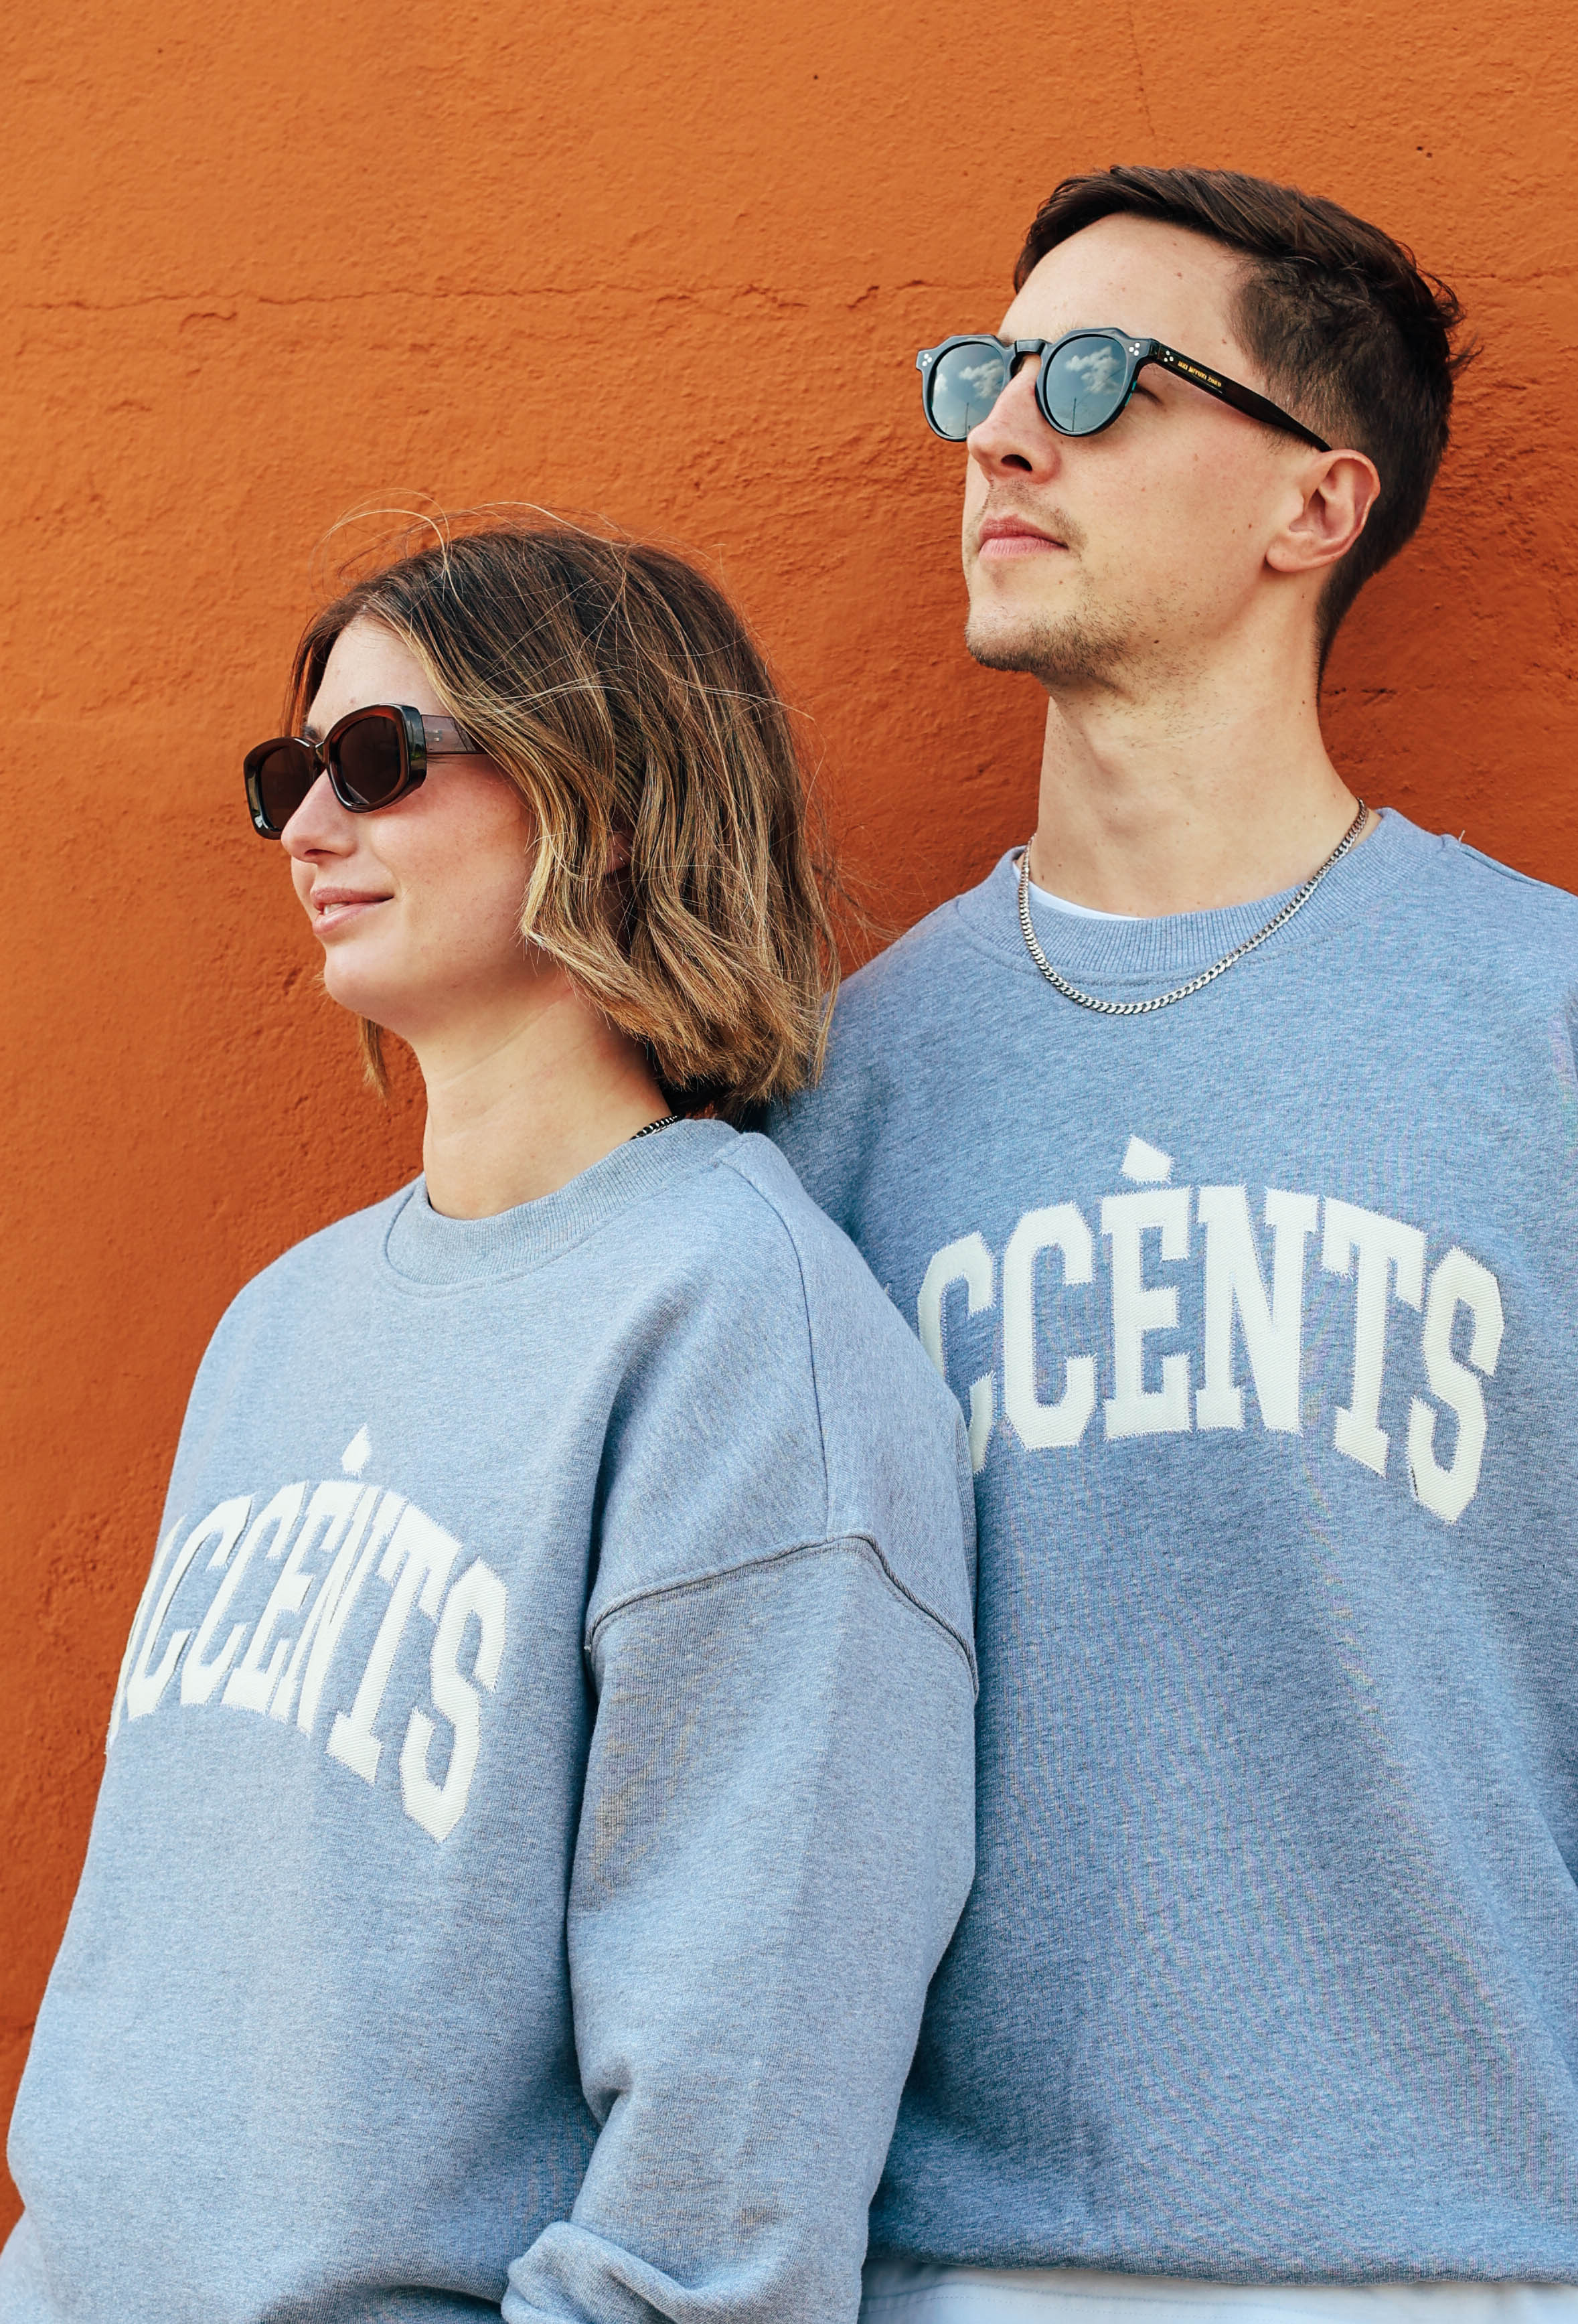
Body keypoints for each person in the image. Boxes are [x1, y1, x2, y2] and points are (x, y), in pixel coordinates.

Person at [769, 167, 1578, 2323]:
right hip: (929, 2273)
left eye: (1097, 380)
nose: (1004, 433)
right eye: (990, 375)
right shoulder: (848, 1094)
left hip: (1472, 2270)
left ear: (1315, 506)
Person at [1, 519, 978, 2323]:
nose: (309, 829)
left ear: (604, 800)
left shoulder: (742, 1333)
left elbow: (740, 2119)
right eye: (289, 773)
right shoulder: (280, 1326)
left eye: (379, 763)